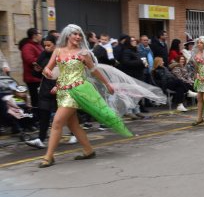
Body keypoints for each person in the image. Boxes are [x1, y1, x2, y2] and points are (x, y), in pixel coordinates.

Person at [38, 25, 134, 168]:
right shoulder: (58, 51)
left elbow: (94, 71)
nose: (78, 37)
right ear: (68, 35)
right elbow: (48, 69)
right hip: (62, 91)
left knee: (57, 122)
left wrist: (107, 84)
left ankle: (49, 156)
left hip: (78, 90)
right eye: (75, 34)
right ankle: (88, 150)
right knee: (73, 124)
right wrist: (47, 72)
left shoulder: (83, 53)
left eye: (79, 34)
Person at [25, 34, 59, 149]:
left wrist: (59, 85)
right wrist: (36, 69)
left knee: (65, 114)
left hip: (59, 87)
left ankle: (75, 134)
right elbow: (37, 73)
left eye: (49, 45)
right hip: (45, 87)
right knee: (44, 112)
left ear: (55, 45)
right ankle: (40, 139)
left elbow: (65, 73)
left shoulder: (60, 54)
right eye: (44, 45)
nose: (46, 48)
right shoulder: (43, 54)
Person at [19, 28, 44, 115]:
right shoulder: (27, 46)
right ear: (34, 36)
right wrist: (44, 61)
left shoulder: (38, 45)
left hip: (40, 77)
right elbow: (30, 60)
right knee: (35, 100)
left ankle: (41, 117)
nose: (41, 35)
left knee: (41, 99)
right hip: (32, 78)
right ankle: (36, 118)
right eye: (40, 33)